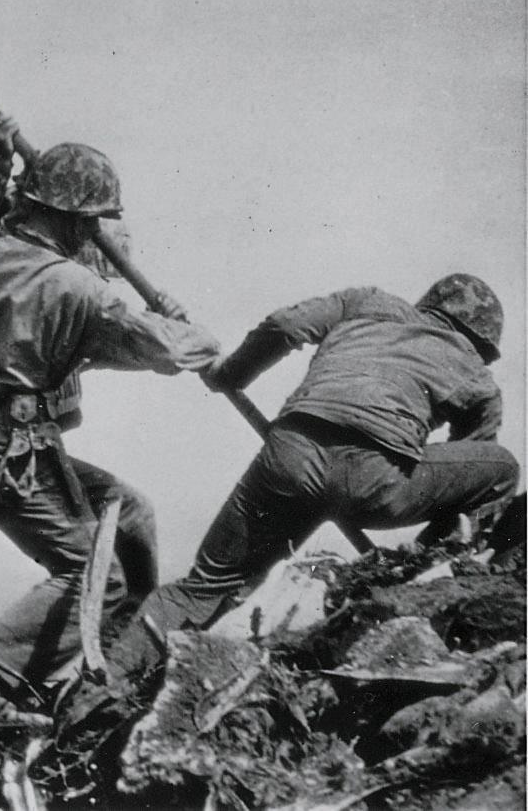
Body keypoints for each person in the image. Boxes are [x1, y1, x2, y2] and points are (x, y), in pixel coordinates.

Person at [66, 272, 521, 726]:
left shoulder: (367, 301)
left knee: (203, 586)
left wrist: (229, 374)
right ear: (481, 341)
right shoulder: (477, 376)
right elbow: (469, 466)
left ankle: (100, 688)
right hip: (375, 483)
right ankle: (425, 573)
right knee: (502, 468)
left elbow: (284, 326)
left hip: (289, 458)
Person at [0, 142, 221, 707]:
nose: (92, 234)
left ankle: (118, 653)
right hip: (6, 449)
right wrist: (185, 327)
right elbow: (173, 350)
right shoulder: (77, 286)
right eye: (90, 222)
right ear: (73, 219)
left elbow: (63, 338)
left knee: (128, 512)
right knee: (98, 577)